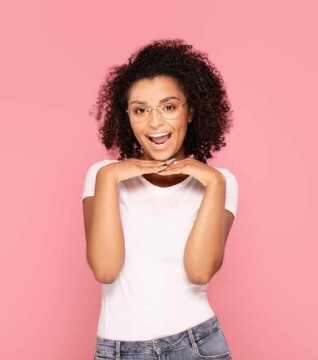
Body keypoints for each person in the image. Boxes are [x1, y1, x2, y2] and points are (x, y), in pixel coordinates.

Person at [81, 38, 238, 360]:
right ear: (127, 117)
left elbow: (199, 272)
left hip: (196, 344)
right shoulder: (103, 175)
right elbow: (105, 270)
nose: (155, 123)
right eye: (141, 110)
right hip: (118, 349)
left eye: (168, 107)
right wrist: (110, 177)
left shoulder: (219, 182)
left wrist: (213, 181)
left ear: (190, 111)